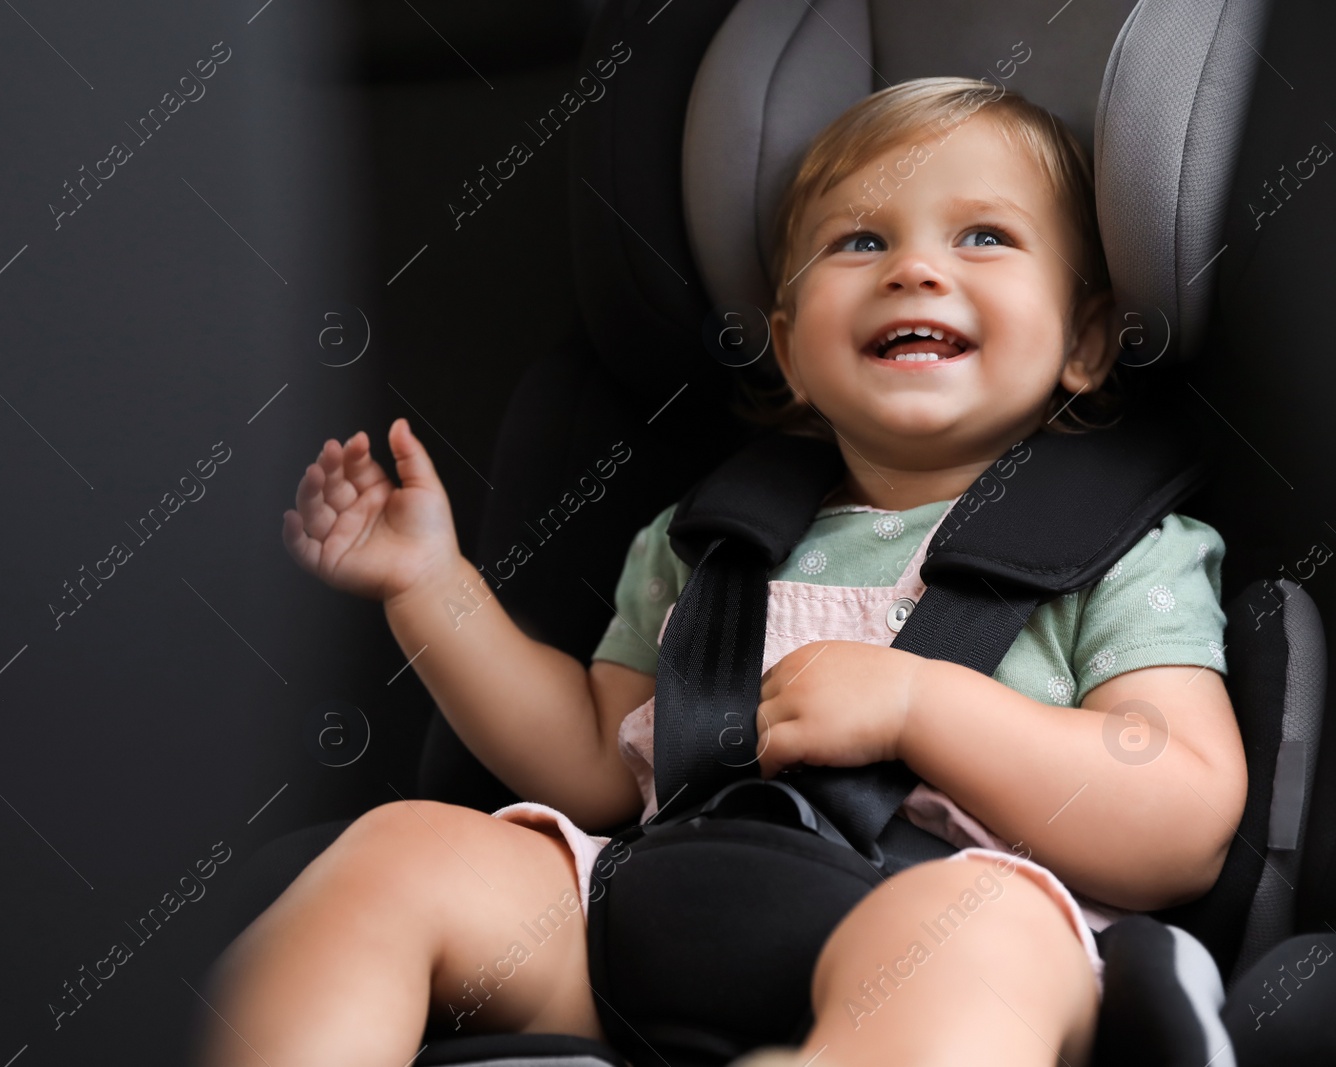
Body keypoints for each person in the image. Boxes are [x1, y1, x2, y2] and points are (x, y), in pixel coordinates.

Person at [196, 77, 1247, 1067]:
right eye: (859, 239)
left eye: (984, 236)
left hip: (933, 915)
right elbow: (592, 763)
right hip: (644, 917)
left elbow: (1180, 818)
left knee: (981, 943)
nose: (914, 268)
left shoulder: (1124, 555)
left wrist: (920, 705)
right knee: (403, 850)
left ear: (1089, 340)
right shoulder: (706, 540)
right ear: (788, 349)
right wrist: (428, 584)